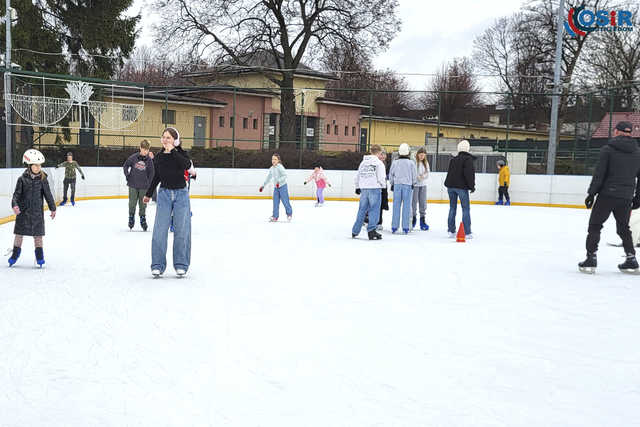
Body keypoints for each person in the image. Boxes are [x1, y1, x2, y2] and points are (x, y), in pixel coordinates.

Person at [579, 121, 640, 274]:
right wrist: (638, 197)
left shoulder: (608, 149)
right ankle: (631, 259)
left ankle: (591, 258)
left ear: (617, 131)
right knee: (624, 228)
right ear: (630, 133)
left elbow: (600, 174)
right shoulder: (637, 152)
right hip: (626, 197)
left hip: (607, 195)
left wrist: (591, 193)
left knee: (595, 225)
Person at [143, 127, 192, 278]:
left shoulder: (181, 154)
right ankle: (157, 265)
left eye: (169, 138)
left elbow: (186, 166)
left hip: (181, 194)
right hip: (164, 194)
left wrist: (173, 151)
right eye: (163, 137)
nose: (165, 140)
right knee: (160, 230)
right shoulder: (158, 157)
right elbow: (157, 176)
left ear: (175, 140)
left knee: (182, 230)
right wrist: (149, 194)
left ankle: (181, 265)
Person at [8, 149, 56, 267]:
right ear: (29, 166)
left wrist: (52, 208)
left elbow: (48, 194)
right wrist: (14, 205)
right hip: (23, 213)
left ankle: (39, 257)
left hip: (37, 213)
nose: (38, 167)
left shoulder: (43, 179)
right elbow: (16, 195)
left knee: (38, 236)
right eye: (35, 165)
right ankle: (15, 255)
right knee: (19, 235)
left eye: (39, 165)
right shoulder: (22, 179)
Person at [352, 144, 386, 240]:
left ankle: (355, 231)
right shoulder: (379, 163)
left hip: (364, 189)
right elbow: (381, 177)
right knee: (374, 210)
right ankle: (371, 231)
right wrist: (383, 186)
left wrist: (357, 186)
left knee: (362, 209)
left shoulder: (363, 163)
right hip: (375, 188)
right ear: (379, 152)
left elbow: (358, 176)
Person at [444, 140, 476, 239]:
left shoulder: (453, 159)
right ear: (468, 148)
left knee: (452, 208)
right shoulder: (468, 160)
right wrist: (472, 186)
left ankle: (451, 230)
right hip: (462, 188)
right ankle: (467, 232)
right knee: (465, 209)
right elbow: (469, 175)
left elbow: (449, 173)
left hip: (450, 187)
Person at [123, 140, 155, 231]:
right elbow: (125, 166)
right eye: (144, 149)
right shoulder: (133, 157)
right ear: (140, 148)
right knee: (132, 203)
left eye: (147, 150)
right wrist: (127, 175)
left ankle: (142, 218)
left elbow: (152, 173)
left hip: (144, 187)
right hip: (133, 185)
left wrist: (149, 183)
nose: (145, 152)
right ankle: (131, 217)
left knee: (143, 204)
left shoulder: (149, 161)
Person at [389, 143, 417, 234]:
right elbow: (414, 175)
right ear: (408, 152)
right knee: (406, 206)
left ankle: (394, 226)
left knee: (396, 206)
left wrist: (392, 183)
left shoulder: (395, 162)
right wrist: (413, 183)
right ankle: (405, 227)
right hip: (407, 186)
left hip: (397, 185)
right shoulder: (411, 163)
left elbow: (391, 174)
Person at [259, 154, 292, 222]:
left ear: (278, 160)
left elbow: (285, 175)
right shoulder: (271, 168)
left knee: (285, 201)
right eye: (272, 159)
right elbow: (268, 178)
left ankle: (289, 214)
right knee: (275, 202)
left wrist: (278, 182)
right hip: (276, 188)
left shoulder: (280, 167)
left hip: (283, 187)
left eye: (275, 159)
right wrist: (263, 185)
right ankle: (275, 216)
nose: (273, 160)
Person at [412, 146, 430, 230]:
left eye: (423, 155)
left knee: (423, 203)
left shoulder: (426, 163)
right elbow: (412, 172)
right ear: (418, 155)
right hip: (415, 185)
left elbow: (427, 173)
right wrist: (417, 177)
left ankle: (422, 220)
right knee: (414, 203)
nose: (422, 156)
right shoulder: (414, 162)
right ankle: (413, 219)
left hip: (423, 185)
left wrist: (423, 176)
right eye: (420, 155)